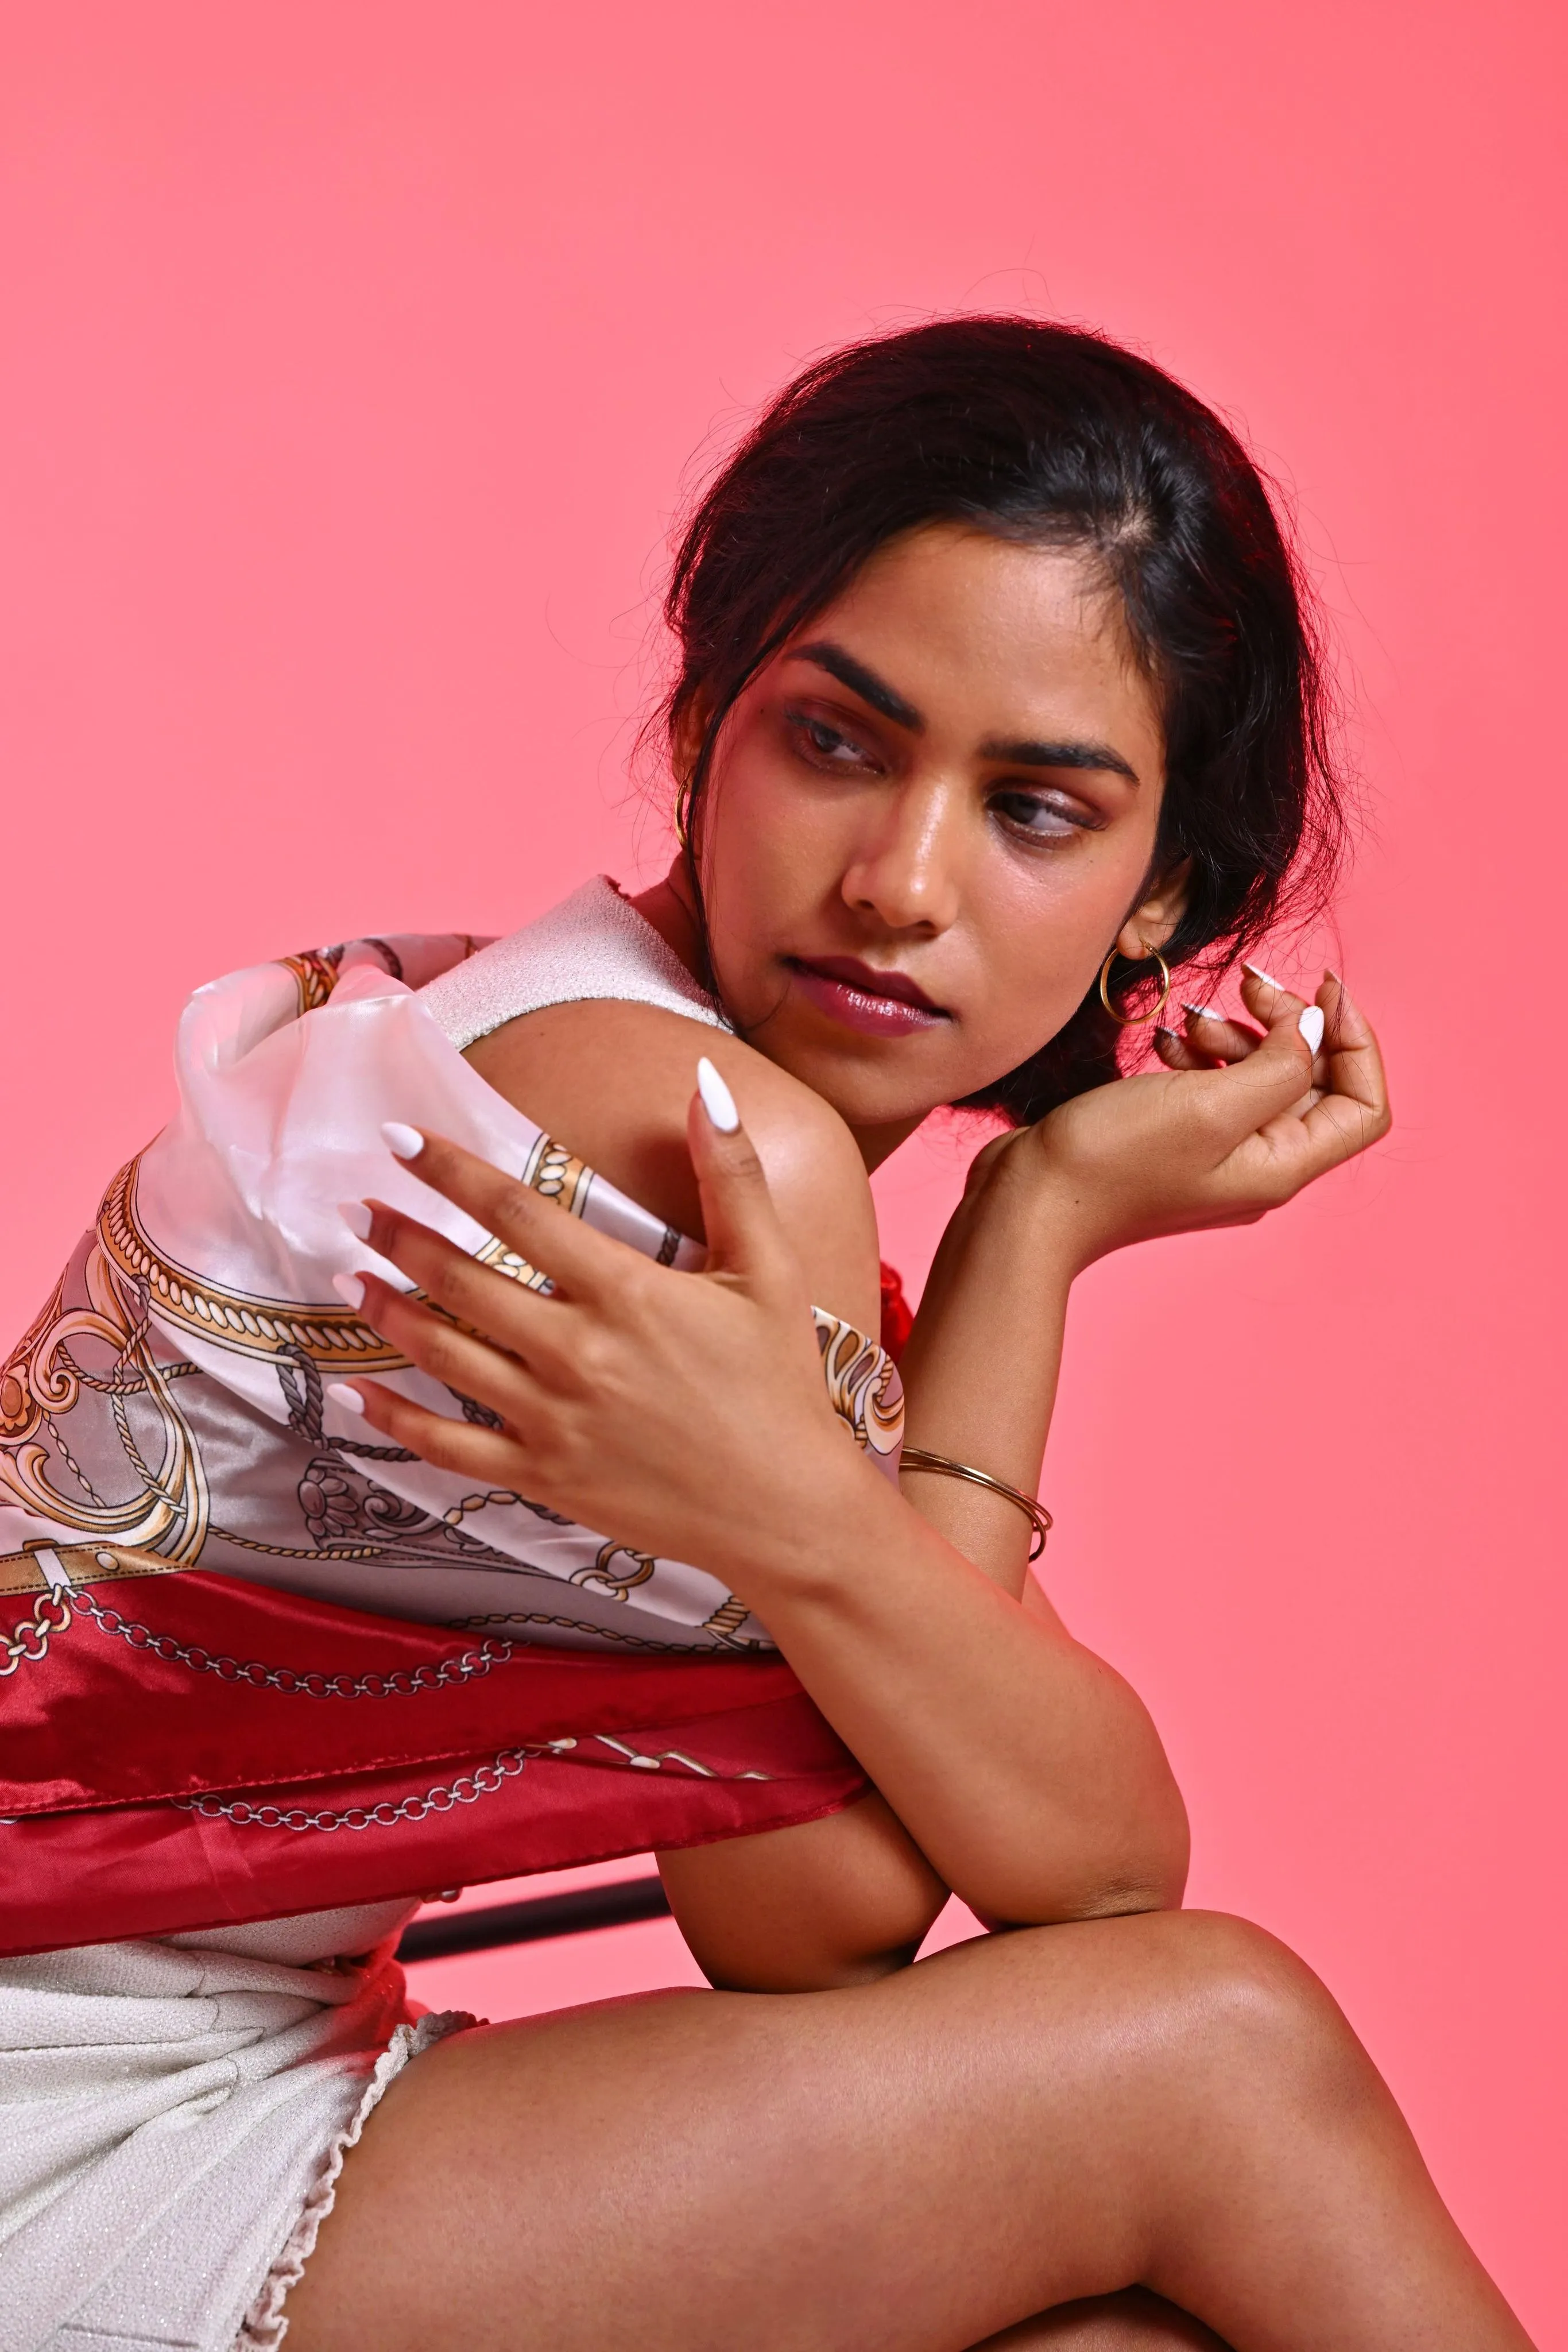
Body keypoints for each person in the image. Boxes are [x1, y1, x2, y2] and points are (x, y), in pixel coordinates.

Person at [0, 318, 1531, 2351]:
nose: (899, 880)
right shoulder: (683, 1130)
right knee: (1217, 2055)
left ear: (1165, 892)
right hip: (62, 2131)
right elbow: (839, 1917)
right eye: (838, 742)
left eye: (1036, 809)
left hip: (226, 2070)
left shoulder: (580, 1035)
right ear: (704, 718)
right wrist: (1025, 1249)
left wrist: (995, 1258)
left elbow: (1059, 1843)